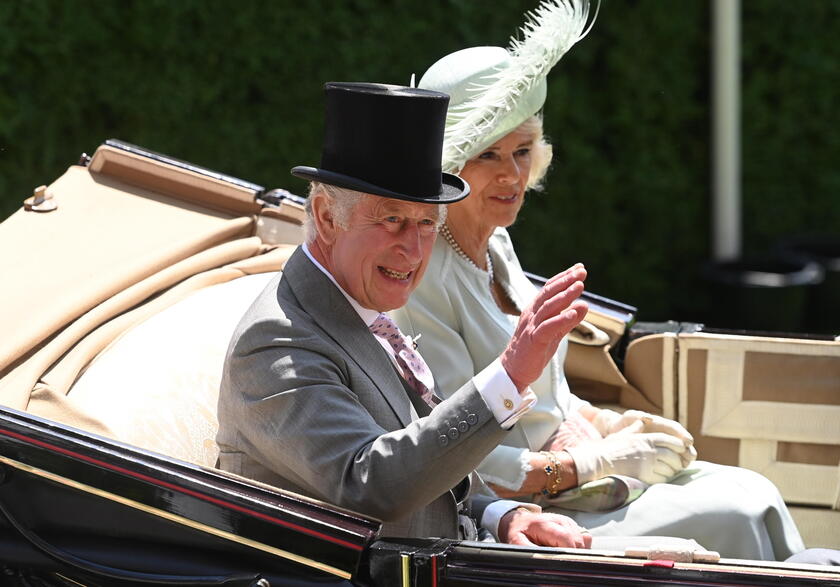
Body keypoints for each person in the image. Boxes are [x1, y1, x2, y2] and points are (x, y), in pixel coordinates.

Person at [392, 0, 805, 560]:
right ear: (450, 162)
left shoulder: (494, 240)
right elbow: (449, 455)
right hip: (526, 516)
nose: (513, 174)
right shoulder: (422, 281)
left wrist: (603, 422)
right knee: (741, 506)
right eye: (489, 154)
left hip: (579, 483)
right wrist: (587, 464)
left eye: (522, 150)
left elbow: (546, 395)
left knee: (752, 489)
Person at [216, 81, 594, 548]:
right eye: (392, 220)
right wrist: (511, 373)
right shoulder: (278, 342)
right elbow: (373, 485)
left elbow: (426, 462)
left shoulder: (363, 305)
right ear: (328, 216)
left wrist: (501, 514)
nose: (413, 251)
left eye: (426, 224)